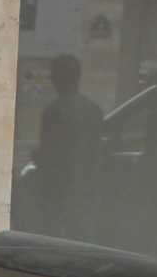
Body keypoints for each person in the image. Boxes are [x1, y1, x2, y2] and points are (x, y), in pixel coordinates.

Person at [26, 53, 103, 238]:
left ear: (55, 80)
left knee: (51, 239)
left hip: (57, 190)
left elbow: (48, 153)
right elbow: (97, 151)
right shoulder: (93, 110)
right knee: (79, 243)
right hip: (85, 189)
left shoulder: (52, 113)